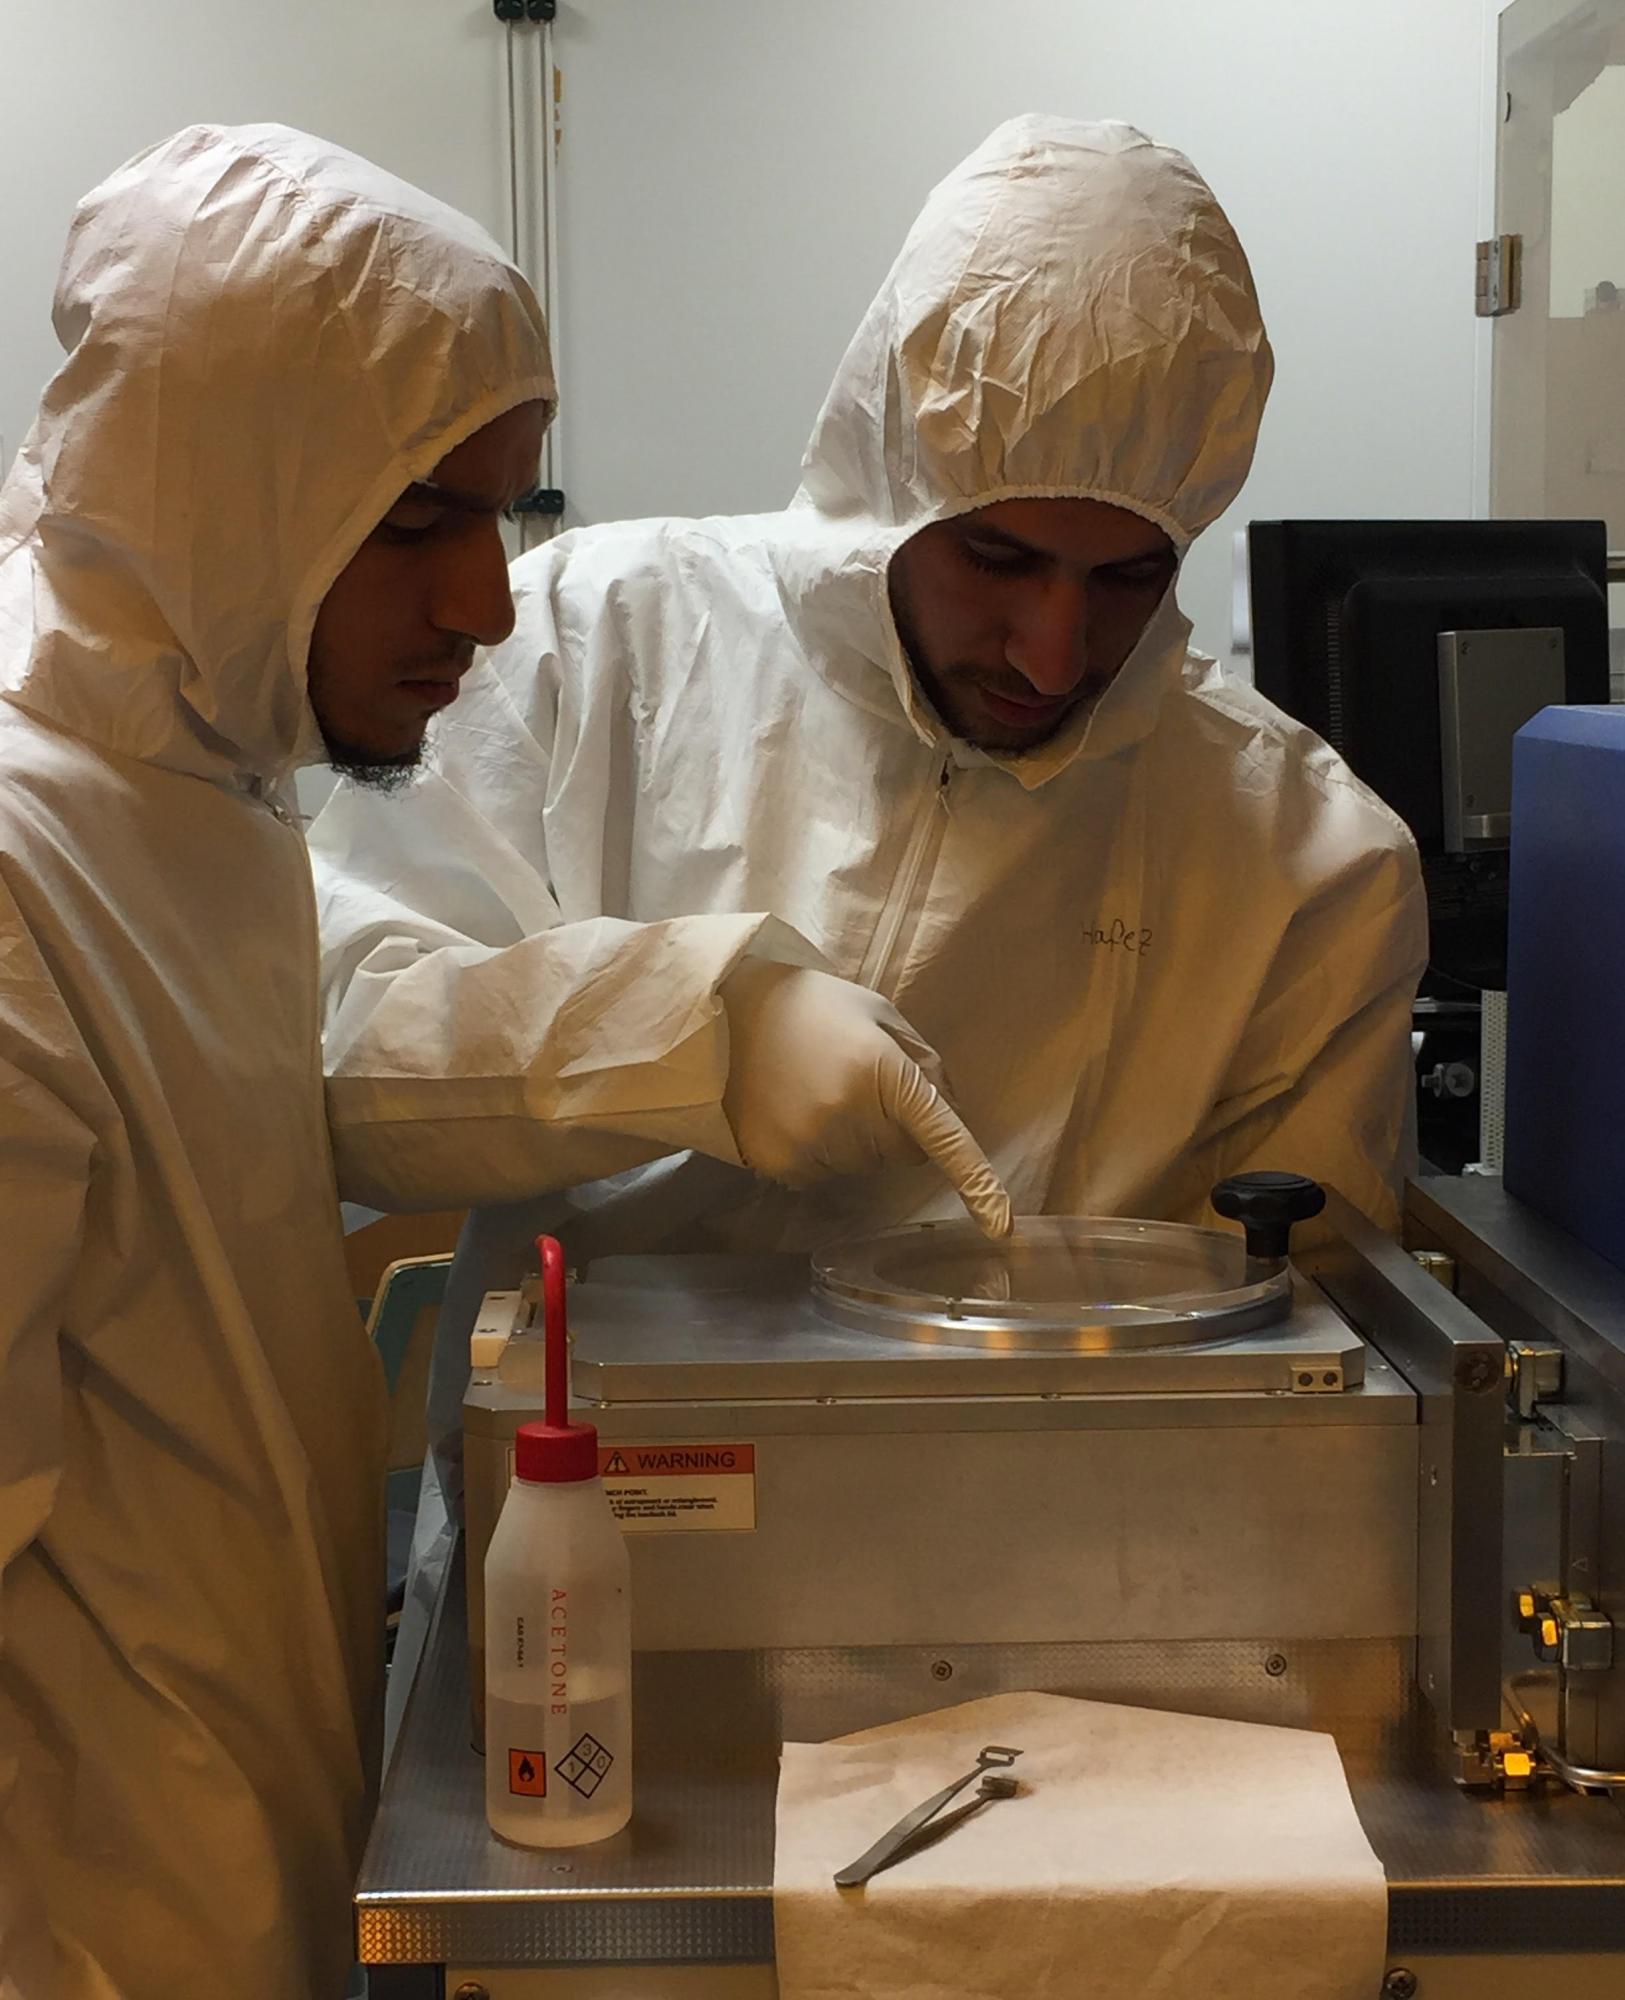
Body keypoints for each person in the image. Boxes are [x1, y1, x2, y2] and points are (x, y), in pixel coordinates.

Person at [0, 123, 992, 2000]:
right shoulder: (21, 853)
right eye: (414, 525)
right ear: (227, 487)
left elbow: (298, 1100)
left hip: (217, 1814)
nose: (482, 602)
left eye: (504, 518)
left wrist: (715, 1018)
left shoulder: (192, 784)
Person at [309, 115, 1427, 1703]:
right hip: (584, 1582)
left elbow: (1296, 1348)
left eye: (1126, 578)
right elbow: (333, 1057)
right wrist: (688, 1032)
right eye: (999, 555)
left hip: (1067, 1626)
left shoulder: (1302, 859)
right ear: (889, 477)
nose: (1052, 653)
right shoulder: (588, 653)